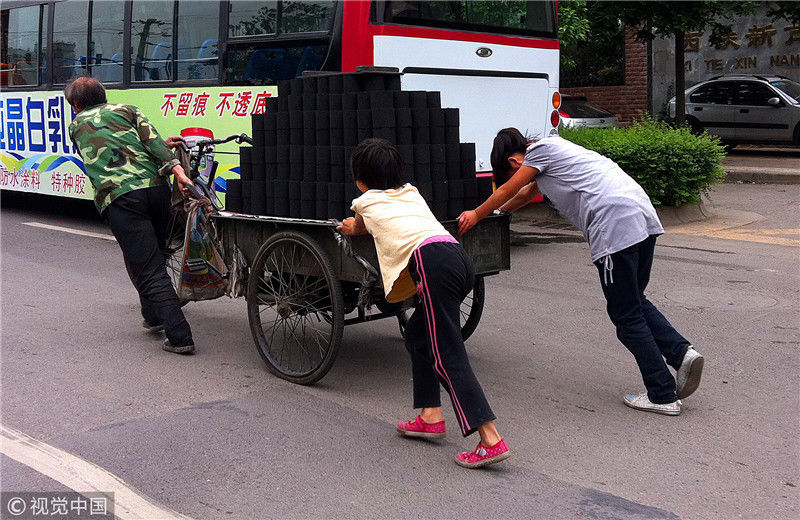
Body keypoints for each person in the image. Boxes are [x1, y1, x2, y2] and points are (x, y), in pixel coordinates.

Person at [458, 128, 704, 416]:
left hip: (613, 226)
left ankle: (662, 394)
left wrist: (476, 214)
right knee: (635, 300)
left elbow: (507, 191)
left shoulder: (538, 154)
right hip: (640, 215)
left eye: (514, 171)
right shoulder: (556, 150)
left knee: (625, 316)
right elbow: (524, 196)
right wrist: (496, 215)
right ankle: (682, 353)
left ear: (514, 162)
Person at [338, 138, 509, 468]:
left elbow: (358, 227)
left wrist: (348, 227)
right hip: (458, 258)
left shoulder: (366, 202)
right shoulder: (411, 192)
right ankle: (430, 414)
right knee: (418, 336)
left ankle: (490, 437)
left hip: (432, 264)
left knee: (447, 353)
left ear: (360, 181)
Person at [66, 76, 196, 354]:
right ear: (104, 94)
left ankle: (180, 335)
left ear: (76, 104)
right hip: (156, 190)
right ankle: (152, 315)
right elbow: (152, 142)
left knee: (149, 270)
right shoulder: (128, 109)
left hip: (121, 198)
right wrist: (178, 170)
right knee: (155, 256)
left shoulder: (76, 126)